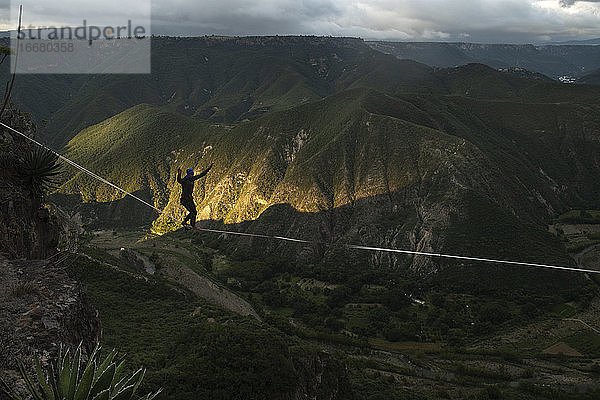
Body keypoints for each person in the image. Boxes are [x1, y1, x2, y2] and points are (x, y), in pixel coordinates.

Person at [177, 163, 213, 228]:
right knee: (193, 212)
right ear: (188, 174)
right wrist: (179, 174)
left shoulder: (192, 179)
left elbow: (201, 175)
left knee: (194, 212)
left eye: (192, 174)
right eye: (191, 174)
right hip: (185, 199)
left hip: (189, 198)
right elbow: (179, 180)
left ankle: (185, 222)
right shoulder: (185, 180)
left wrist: (209, 168)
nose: (192, 175)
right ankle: (192, 225)